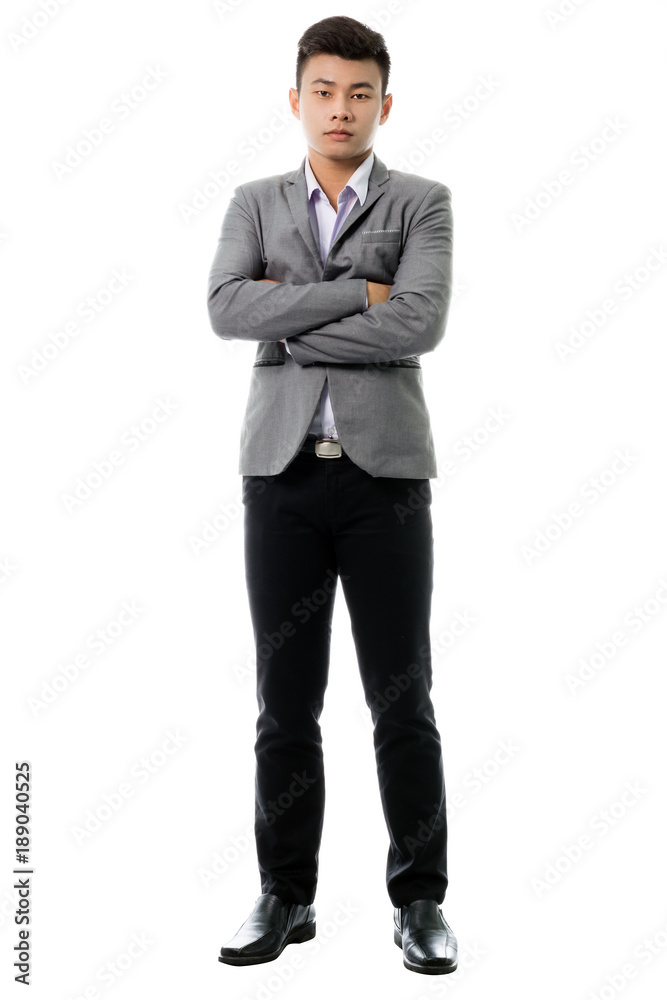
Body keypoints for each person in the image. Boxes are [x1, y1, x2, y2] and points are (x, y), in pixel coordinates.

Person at [207, 14, 456, 976]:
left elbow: (422, 323)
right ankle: (285, 894)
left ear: (383, 104)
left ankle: (421, 899)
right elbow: (227, 308)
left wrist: (287, 318)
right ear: (295, 98)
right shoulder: (254, 199)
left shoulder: (423, 202)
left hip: (385, 478)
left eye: (359, 93)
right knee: (284, 702)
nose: (340, 108)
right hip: (279, 478)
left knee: (403, 697)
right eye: (324, 90)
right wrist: (361, 298)